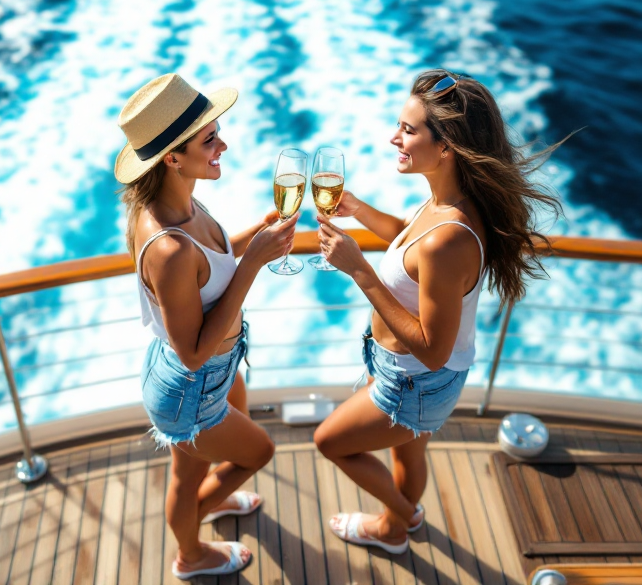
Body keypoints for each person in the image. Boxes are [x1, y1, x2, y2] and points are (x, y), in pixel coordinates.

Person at [312, 69, 561, 555]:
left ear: (446, 147)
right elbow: (408, 238)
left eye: (408, 130)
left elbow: (431, 349)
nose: (394, 137)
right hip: (408, 375)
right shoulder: (446, 203)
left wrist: (358, 269)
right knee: (408, 454)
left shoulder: (450, 236)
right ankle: (393, 532)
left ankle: (402, 519)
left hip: (416, 379)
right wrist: (360, 210)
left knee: (330, 441)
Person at [115, 73, 298, 579]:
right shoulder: (168, 248)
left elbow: (210, 264)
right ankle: (190, 551)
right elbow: (194, 349)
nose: (223, 144)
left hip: (210, 372)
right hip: (192, 381)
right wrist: (254, 264)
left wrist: (253, 236)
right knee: (256, 451)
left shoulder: (180, 203)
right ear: (172, 157)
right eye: (209, 139)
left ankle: (202, 513)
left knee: (189, 470)